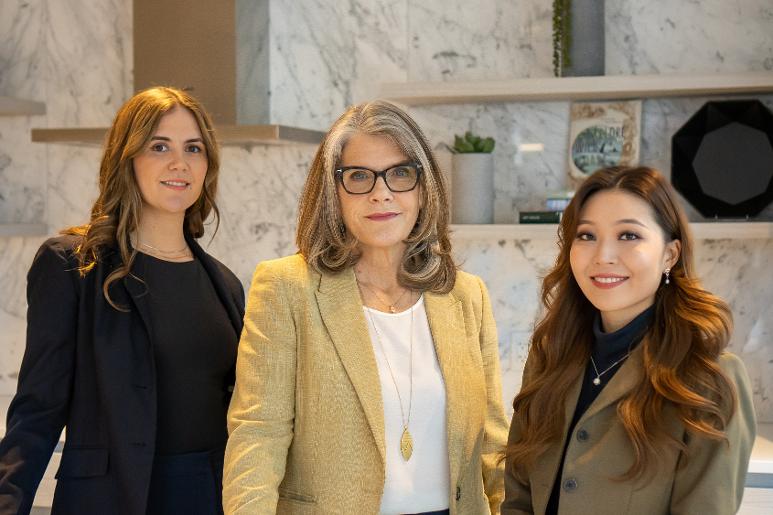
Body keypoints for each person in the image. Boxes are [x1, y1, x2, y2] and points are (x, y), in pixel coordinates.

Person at [222, 100, 508, 514]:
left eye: (400, 174)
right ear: (332, 193)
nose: (381, 194)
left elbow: (494, 444)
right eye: (358, 176)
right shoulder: (287, 288)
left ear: (424, 189)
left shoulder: (466, 295)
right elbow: (258, 435)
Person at [0, 86, 245, 515]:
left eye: (193, 148)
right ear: (126, 157)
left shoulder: (225, 283)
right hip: (111, 500)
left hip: (210, 498)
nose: (179, 163)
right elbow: (38, 410)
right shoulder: (73, 265)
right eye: (159, 146)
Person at [501, 166, 756, 515]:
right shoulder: (549, 356)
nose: (603, 255)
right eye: (586, 235)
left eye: (629, 235)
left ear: (670, 254)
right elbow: (518, 496)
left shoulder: (710, 379)